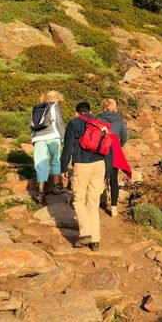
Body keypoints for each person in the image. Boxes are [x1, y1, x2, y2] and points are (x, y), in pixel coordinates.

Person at [61, 102, 106, 251]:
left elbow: (68, 147)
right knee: (93, 202)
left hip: (82, 164)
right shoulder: (99, 123)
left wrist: (64, 167)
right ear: (90, 111)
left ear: (77, 113)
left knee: (79, 200)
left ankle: (85, 233)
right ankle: (96, 240)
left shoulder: (74, 123)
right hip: (100, 164)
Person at [30, 91, 65, 205]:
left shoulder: (36, 108)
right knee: (55, 161)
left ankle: (40, 190)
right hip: (53, 136)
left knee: (41, 163)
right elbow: (58, 122)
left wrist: (33, 138)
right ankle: (55, 186)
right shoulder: (54, 106)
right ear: (55, 98)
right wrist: (63, 137)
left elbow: (32, 125)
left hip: (38, 138)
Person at [98, 98, 128, 217]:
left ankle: (95, 204)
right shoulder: (119, 120)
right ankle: (114, 208)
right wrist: (118, 145)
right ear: (114, 107)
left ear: (103, 106)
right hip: (114, 149)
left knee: (99, 176)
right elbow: (124, 137)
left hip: (100, 150)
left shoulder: (97, 118)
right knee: (114, 178)